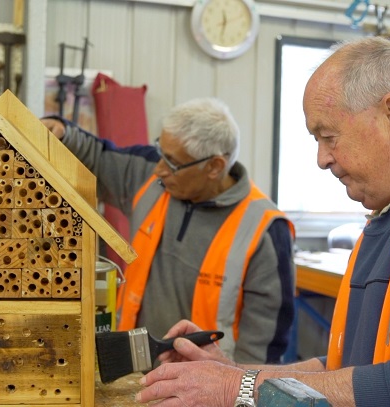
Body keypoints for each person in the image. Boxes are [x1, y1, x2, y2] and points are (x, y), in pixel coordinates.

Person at [135, 36, 390, 407]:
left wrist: (236, 392)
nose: (322, 159)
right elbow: (352, 366)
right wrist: (236, 375)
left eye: (328, 137)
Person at [42, 98, 295, 364]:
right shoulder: (149, 176)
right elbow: (96, 158)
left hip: (203, 394)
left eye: (172, 162)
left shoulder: (264, 230)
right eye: (161, 152)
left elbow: (261, 352)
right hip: (131, 372)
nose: (159, 170)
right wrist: (63, 132)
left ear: (214, 167)